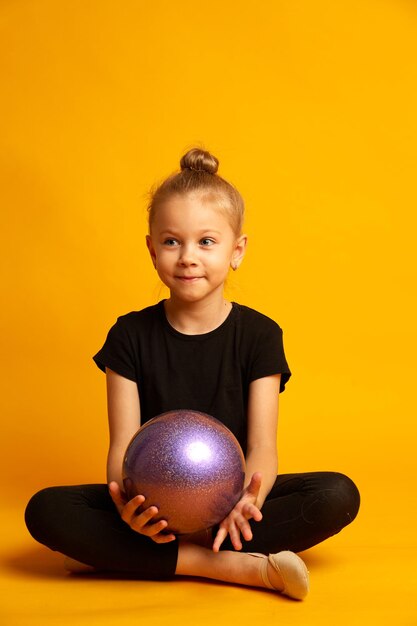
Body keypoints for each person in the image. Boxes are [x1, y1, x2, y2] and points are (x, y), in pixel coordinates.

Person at [25, 147, 360, 601]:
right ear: (151, 249)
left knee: (337, 494)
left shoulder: (260, 335)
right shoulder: (128, 335)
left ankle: (124, 556)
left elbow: (262, 447)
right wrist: (128, 510)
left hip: (229, 504)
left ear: (236, 251)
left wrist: (247, 502)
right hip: (154, 507)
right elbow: (122, 445)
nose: (187, 257)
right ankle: (231, 567)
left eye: (206, 241)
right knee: (46, 510)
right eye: (171, 241)